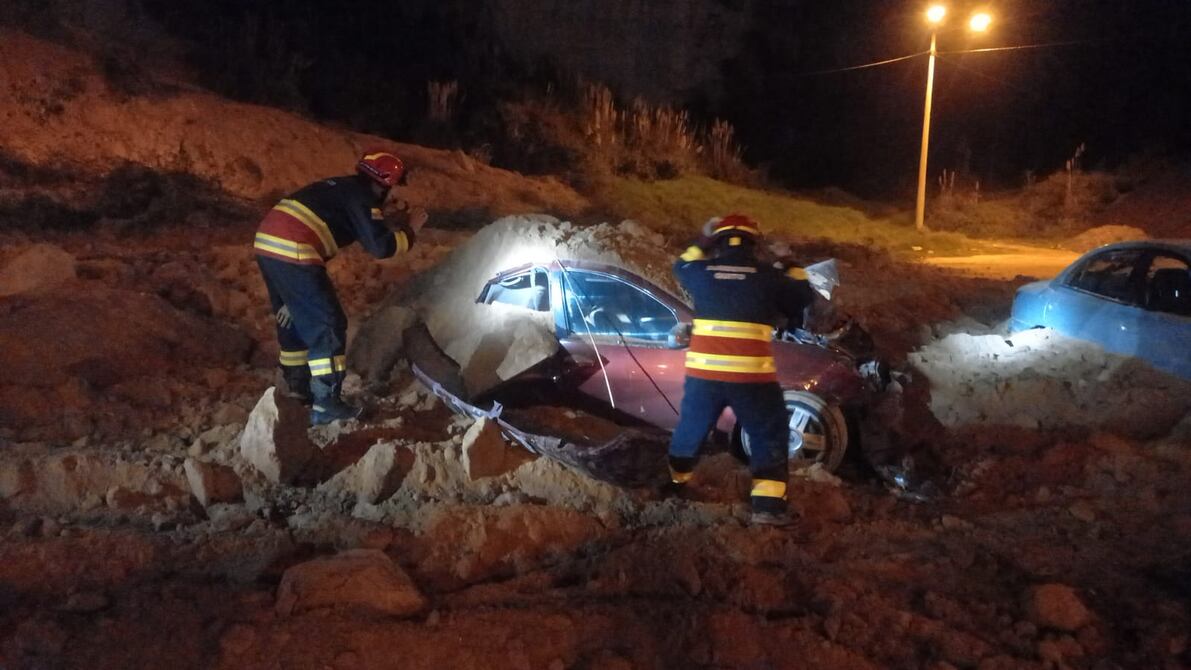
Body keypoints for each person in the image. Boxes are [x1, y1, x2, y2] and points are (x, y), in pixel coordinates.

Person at [254, 150, 427, 425]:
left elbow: (351, 223)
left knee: (293, 316)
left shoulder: (344, 189)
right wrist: (411, 230)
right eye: (391, 189)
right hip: (294, 247)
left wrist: (386, 219)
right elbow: (381, 247)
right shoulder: (363, 198)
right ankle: (326, 403)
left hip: (268, 243)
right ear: (383, 185)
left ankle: (297, 390)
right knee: (328, 323)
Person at [667, 214, 816, 526]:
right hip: (752, 377)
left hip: (704, 376)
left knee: (690, 430)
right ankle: (768, 507)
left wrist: (702, 240)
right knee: (767, 433)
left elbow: (680, 265)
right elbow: (803, 297)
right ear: (753, 243)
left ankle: (673, 485)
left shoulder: (701, 272)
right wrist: (788, 260)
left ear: (719, 242)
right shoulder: (769, 277)